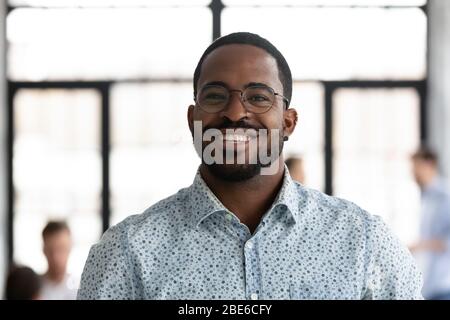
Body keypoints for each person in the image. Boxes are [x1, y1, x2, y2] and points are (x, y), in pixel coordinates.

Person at [78, 32, 422, 300]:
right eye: (215, 96)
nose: (235, 112)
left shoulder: (365, 244)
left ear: (288, 122)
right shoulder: (127, 253)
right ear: (192, 119)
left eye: (258, 96)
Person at [409, 146, 450, 300]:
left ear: (430, 164)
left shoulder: (445, 196)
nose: (413, 173)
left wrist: (419, 245)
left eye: (416, 167)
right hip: (429, 285)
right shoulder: (426, 197)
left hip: (444, 284)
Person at [40, 221, 77, 300]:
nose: (55, 257)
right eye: (50, 250)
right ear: (44, 250)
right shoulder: (34, 288)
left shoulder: (80, 290)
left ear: (70, 248)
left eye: (61, 249)